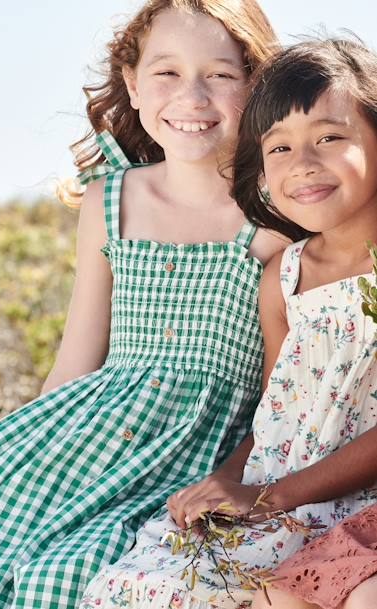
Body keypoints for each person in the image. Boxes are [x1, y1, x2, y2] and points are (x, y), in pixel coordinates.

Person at [0, 1, 284, 608]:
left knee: (72, 572)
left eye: (220, 74)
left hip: (197, 449)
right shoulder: (111, 198)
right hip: (81, 436)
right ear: (134, 86)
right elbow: (74, 364)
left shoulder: (276, 215)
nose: (191, 96)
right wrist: (20, 458)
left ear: (256, 85)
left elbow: (284, 385)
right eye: (166, 73)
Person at [78, 38, 377, 609]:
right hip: (275, 491)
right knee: (136, 585)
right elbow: (277, 404)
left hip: (340, 502)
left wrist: (268, 497)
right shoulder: (283, 275)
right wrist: (227, 482)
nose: (304, 163)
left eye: (330, 137)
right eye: (279, 147)